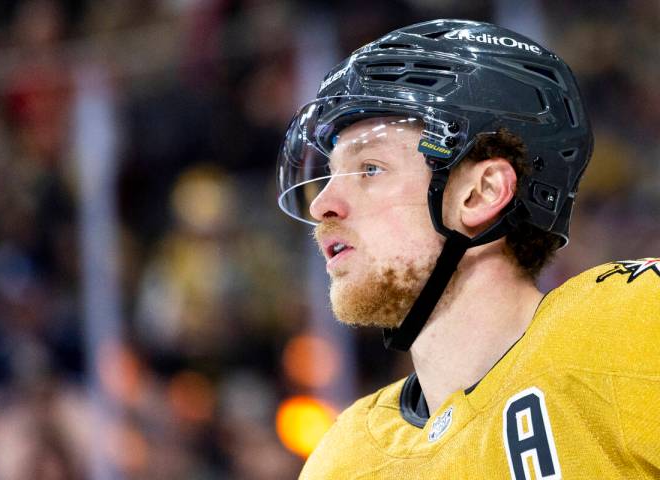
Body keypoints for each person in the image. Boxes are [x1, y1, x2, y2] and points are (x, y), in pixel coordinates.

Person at [276, 19, 660, 479]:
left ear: (480, 193)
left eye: (370, 169)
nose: (323, 205)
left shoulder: (633, 327)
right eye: (330, 174)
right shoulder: (343, 461)